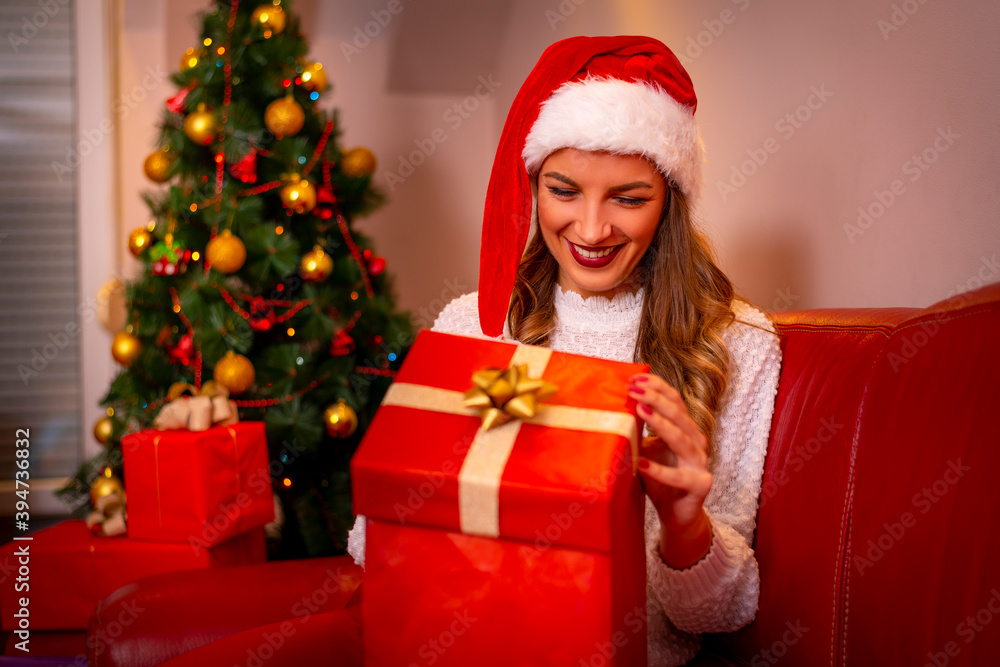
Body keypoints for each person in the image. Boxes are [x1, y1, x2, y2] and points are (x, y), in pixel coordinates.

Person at [349, 35, 782, 666]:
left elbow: (719, 615)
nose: (591, 229)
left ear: (670, 201)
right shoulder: (475, 323)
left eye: (629, 198)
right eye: (564, 190)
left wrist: (685, 521)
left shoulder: (736, 345)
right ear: (531, 186)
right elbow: (375, 545)